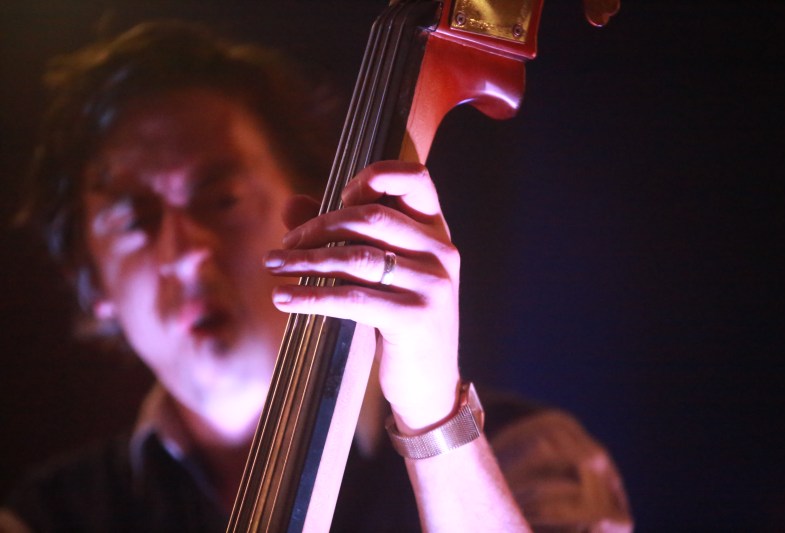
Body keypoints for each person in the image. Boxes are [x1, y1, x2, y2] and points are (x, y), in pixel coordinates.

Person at [0, 21, 632, 532]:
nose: (186, 251)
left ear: (306, 212)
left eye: (221, 199)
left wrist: (433, 416)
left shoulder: (532, 453)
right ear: (94, 286)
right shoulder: (45, 515)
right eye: (135, 221)